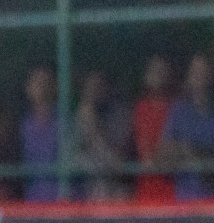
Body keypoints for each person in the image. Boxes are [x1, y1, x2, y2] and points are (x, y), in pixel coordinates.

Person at [159, 54, 214, 202]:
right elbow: (163, 152)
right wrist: (182, 150)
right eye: (195, 72)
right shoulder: (178, 111)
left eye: (203, 72)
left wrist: (194, 152)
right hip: (186, 200)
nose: (199, 77)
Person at [71, 69, 130, 202]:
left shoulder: (119, 115)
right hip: (88, 194)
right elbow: (72, 160)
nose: (94, 92)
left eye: (99, 86)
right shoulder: (77, 118)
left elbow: (116, 162)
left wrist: (94, 124)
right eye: (90, 87)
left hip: (116, 192)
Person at [132, 55, 176, 203]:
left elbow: (176, 150)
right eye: (153, 70)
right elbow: (145, 153)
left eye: (161, 70)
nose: (157, 74)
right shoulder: (141, 108)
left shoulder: (177, 108)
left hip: (173, 191)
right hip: (147, 189)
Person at [20, 66, 62, 203]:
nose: (41, 87)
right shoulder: (23, 124)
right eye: (36, 82)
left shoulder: (66, 122)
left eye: (45, 82)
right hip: (32, 200)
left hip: (62, 200)